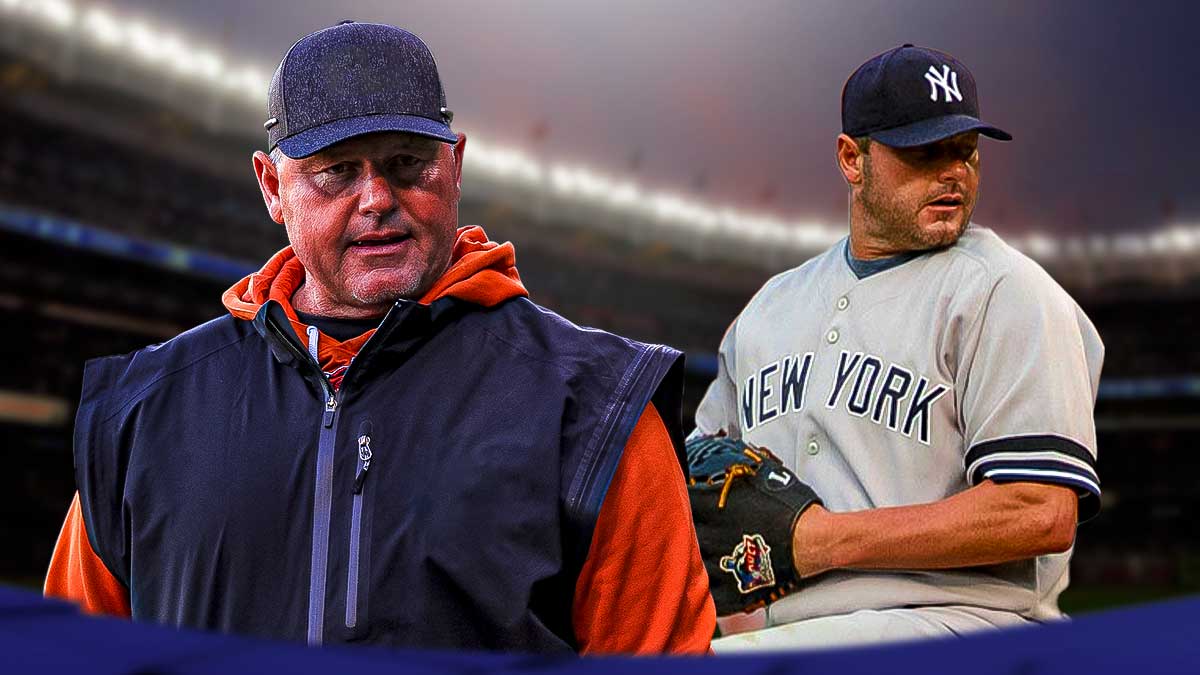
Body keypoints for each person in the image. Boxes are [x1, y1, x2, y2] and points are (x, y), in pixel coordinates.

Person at [44, 21, 715, 654]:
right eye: (337, 171)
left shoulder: (594, 406)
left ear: (455, 165)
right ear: (272, 186)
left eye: (406, 162)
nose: (376, 199)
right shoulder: (146, 412)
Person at [691, 44, 1104, 651]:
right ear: (851, 159)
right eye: (923, 151)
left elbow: (1037, 509)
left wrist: (822, 541)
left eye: (964, 152)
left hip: (960, 622)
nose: (953, 172)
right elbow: (702, 475)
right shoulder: (769, 309)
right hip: (793, 630)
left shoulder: (1005, 292)